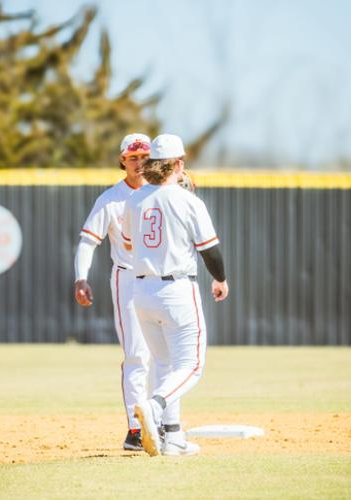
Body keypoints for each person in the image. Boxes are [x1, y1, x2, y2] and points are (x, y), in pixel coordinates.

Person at [122, 133, 229, 457]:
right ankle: (154, 408)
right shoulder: (188, 201)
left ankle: (173, 437)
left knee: (165, 365)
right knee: (191, 366)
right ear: (178, 164)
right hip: (176, 289)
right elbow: (210, 250)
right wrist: (220, 279)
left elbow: (128, 244)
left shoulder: (134, 199)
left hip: (141, 290)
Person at [73, 133, 152, 451]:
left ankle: (162, 421)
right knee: (136, 354)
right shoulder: (110, 199)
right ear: (122, 160)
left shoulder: (162, 194)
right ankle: (136, 429)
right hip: (128, 278)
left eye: (144, 156)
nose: (139, 162)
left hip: (161, 280)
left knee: (165, 355)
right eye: (133, 157)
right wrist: (81, 277)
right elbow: (88, 241)